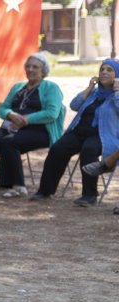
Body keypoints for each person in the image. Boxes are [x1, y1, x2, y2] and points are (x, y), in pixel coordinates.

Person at [0, 54, 64, 198]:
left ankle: (19, 186)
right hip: (13, 126)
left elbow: (52, 113)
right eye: (28, 66)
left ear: (43, 70)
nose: (30, 69)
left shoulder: (51, 87)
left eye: (35, 67)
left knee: (10, 142)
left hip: (40, 130)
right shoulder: (18, 87)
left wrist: (27, 119)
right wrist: (10, 114)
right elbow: (3, 108)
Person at [31, 59, 119, 204]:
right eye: (102, 69)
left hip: (103, 136)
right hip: (79, 132)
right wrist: (89, 87)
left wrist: (117, 91)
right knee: (57, 149)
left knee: (88, 150)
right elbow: (74, 105)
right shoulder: (94, 93)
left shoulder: (117, 95)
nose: (104, 72)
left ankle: (89, 195)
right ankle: (45, 190)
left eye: (109, 70)